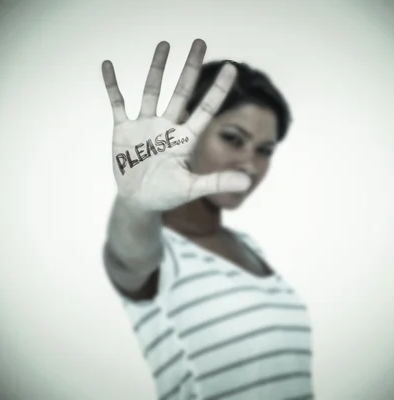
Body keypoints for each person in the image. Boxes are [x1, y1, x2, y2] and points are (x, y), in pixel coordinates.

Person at [101, 39, 314, 400]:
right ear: (186, 133)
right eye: (233, 139)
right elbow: (129, 255)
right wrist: (134, 202)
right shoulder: (161, 253)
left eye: (264, 151)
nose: (250, 164)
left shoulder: (247, 247)